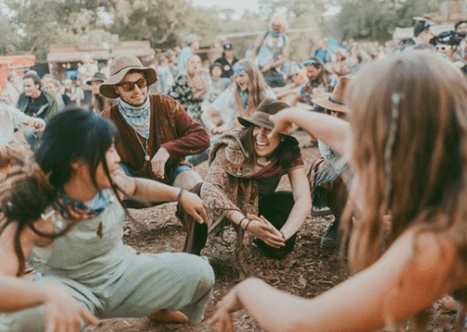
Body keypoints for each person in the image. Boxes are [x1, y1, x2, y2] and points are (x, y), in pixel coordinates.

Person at [210, 52, 467, 332]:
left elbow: (302, 322)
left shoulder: (445, 235)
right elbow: (347, 137)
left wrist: (247, 290)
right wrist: (293, 114)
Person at [0, 108, 214, 332]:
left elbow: (137, 186)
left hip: (122, 273)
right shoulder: (35, 211)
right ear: (77, 161)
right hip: (69, 289)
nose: (117, 158)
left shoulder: (112, 181)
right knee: (22, 320)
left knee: (199, 273)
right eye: (109, 150)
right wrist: (46, 293)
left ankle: (156, 306)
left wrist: (180, 194)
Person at [180, 98, 311, 259]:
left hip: (254, 206)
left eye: (270, 129)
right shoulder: (232, 145)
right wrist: (246, 224)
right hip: (223, 204)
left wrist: (283, 234)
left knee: (286, 203)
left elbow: (303, 198)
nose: (260, 136)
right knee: (199, 191)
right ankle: (191, 256)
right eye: (257, 127)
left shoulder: (288, 152)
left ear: (282, 137)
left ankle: (266, 241)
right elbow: (212, 189)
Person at [99, 55, 209, 191]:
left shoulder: (166, 104)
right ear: (116, 89)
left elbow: (202, 137)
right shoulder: (107, 117)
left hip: (171, 174)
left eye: (141, 82)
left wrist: (168, 149)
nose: (137, 90)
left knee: (196, 185)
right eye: (128, 86)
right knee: (113, 174)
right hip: (132, 183)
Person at [308, 76, 351, 248]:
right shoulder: (326, 132)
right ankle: (342, 222)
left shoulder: (374, 128)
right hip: (347, 171)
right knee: (323, 171)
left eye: (343, 112)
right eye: (334, 111)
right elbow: (342, 170)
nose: (337, 116)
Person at [201, 59, 276, 135]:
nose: (238, 80)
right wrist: (214, 129)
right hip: (232, 137)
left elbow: (274, 120)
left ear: (252, 75)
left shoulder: (267, 94)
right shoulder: (231, 92)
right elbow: (205, 114)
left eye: (241, 75)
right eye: (236, 76)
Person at [252, 15, 290, 88]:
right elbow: (253, 50)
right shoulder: (264, 35)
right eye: (273, 25)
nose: (275, 27)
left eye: (278, 25)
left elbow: (284, 57)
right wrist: (254, 66)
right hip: (261, 69)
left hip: (276, 70)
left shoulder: (284, 39)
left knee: (282, 90)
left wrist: (271, 66)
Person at [169, 54, 208, 123]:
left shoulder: (199, 78)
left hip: (194, 108)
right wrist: (204, 90)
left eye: (197, 62)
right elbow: (190, 97)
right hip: (180, 108)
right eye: (192, 62)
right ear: (188, 64)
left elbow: (201, 98)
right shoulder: (182, 78)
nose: (195, 65)